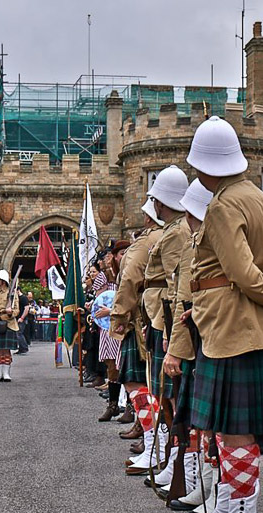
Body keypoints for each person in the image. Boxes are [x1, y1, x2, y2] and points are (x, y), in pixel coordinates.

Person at [183, 116, 263, 513]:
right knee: (233, 431)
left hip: (234, 325)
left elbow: (243, 273)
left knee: (235, 434)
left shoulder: (224, 205)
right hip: (243, 324)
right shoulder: (259, 198)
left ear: (208, 166)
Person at [162, 178, 214, 508]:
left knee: (210, 423)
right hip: (203, 333)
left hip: (206, 335)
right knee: (202, 421)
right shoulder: (197, 240)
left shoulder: (201, 242)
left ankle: (216, 495)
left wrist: (176, 350)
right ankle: (207, 488)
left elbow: (185, 297)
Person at [140, 165, 190, 490]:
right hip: (163, 317)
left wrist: (172, 337)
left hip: (170, 320)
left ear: (161, 202)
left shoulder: (175, 233)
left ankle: (177, 463)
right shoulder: (176, 229)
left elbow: (177, 285)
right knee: (168, 397)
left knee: (172, 398)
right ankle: (174, 461)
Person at [110, 200, 163, 459]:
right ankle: (159, 447)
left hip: (143, 316)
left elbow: (129, 278)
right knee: (161, 387)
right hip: (165, 315)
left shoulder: (144, 241)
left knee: (138, 383)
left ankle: (153, 444)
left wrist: (119, 316)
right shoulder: (180, 231)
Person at [92, 240, 129, 424]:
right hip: (109, 325)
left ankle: (129, 406)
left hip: (127, 322)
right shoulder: (105, 275)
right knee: (112, 365)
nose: (124, 256)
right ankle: (113, 405)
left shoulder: (131, 271)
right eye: (121, 253)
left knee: (126, 364)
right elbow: (100, 303)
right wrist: (108, 312)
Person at [15, 289, 29, 355]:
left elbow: (26, 308)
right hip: (17, 318)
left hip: (21, 318)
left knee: (19, 333)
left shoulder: (23, 298)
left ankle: (24, 347)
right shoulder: (16, 298)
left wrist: (22, 318)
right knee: (18, 333)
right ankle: (21, 348)